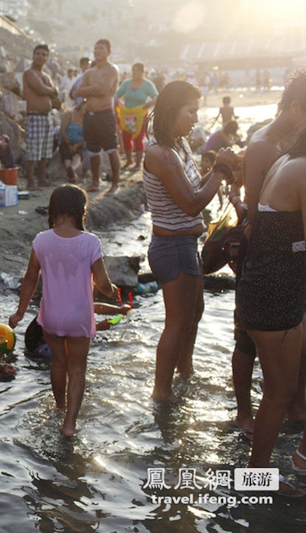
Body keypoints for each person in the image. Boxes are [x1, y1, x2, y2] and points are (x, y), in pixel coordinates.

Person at [142, 81, 237, 403]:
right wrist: (220, 170)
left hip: (186, 245)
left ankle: (185, 373)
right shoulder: (160, 154)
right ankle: (162, 393)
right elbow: (191, 203)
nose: (196, 118)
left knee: (194, 313)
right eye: (191, 111)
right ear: (172, 111)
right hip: (172, 247)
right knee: (177, 322)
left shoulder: (179, 146)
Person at [229, 70, 306, 437]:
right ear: (295, 108)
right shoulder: (265, 146)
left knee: (281, 366)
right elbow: (256, 218)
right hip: (263, 259)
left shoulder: (284, 146)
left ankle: (290, 408)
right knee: (248, 342)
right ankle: (247, 415)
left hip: (277, 261)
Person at [9, 184, 120, 436]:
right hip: (80, 316)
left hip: (51, 315)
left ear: (54, 209)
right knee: (77, 368)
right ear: (80, 210)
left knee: (58, 363)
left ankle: (59, 407)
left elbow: (29, 279)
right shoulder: (90, 242)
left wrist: (19, 312)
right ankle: (69, 423)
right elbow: (102, 284)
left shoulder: (41, 240)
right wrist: (112, 290)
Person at [235, 129, 306, 495]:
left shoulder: (287, 161)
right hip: (274, 298)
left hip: (267, 290)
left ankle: (282, 464)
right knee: (280, 391)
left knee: (284, 388)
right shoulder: (303, 169)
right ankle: (256, 477)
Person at [75, 39, 121, 195]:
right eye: (95, 48)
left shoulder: (111, 70)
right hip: (90, 115)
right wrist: (95, 87)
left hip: (104, 114)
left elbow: (103, 91)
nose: (97, 51)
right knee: (92, 150)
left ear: (108, 52)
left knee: (110, 149)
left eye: (101, 48)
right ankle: (95, 182)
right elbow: (78, 92)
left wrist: (90, 89)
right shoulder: (89, 72)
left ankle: (115, 184)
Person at [22, 43, 59, 189]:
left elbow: (54, 94)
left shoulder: (45, 75)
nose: (40, 57)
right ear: (33, 55)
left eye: (44, 54)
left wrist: (50, 90)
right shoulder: (29, 73)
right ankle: (31, 181)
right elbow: (42, 89)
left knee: (45, 150)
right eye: (38, 53)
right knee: (33, 150)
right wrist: (51, 89)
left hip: (47, 116)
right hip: (34, 116)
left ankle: (42, 179)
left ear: (47, 58)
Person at [115, 62, 158, 171]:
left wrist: (149, 104)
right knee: (126, 138)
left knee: (139, 138)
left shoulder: (148, 84)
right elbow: (117, 95)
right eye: (134, 71)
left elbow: (156, 97)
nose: (136, 73)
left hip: (140, 115)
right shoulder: (126, 83)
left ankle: (138, 164)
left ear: (143, 72)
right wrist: (115, 103)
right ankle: (129, 160)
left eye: (139, 71)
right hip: (127, 114)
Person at [59, 104, 86, 183]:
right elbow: (62, 131)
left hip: (79, 143)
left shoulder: (88, 119)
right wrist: (68, 144)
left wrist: (76, 145)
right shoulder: (70, 114)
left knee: (77, 155)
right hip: (66, 141)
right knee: (66, 156)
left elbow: (87, 136)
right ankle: (72, 173)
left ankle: (72, 169)